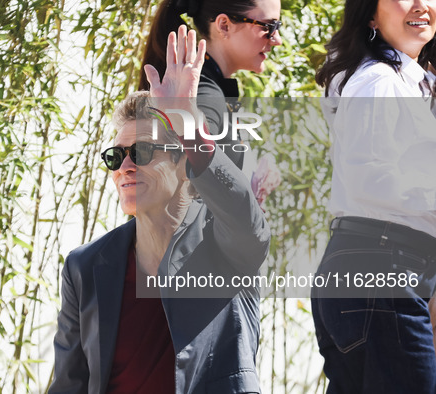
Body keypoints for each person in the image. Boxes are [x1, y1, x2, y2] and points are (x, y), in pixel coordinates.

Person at [49, 28, 270, 393]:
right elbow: (70, 384)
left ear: (185, 163)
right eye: (115, 157)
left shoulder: (226, 246)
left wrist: (186, 122)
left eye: (143, 152)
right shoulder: (85, 266)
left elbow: (248, 220)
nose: (125, 167)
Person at [311, 0, 436, 392]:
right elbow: (370, 174)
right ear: (369, 13)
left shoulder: (405, 80)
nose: (421, 4)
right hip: (382, 266)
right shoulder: (378, 79)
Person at [139, 0, 282, 171]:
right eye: (269, 27)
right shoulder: (205, 93)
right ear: (224, 26)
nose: (277, 40)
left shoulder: (203, 88)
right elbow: (191, 172)